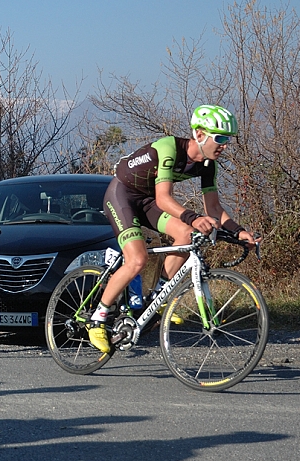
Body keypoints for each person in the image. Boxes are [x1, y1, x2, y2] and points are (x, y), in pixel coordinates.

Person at [89, 105, 261, 353]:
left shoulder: (208, 165)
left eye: (228, 140)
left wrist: (238, 231)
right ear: (200, 134)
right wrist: (193, 217)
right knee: (137, 259)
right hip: (122, 196)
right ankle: (98, 317)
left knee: (186, 235)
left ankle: (157, 298)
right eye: (221, 138)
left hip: (147, 200)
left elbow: (213, 207)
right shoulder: (169, 148)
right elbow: (164, 200)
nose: (225, 145)